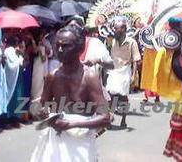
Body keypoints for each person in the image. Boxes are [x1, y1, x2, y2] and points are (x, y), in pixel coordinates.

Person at [30, 25, 111, 162]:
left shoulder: (89, 77)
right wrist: (41, 112)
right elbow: (41, 107)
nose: (60, 50)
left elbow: (105, 118)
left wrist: (72, 124)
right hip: (57, 141)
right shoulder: (52, 76)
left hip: (81, 144)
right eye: (58, 45)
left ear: (80, 48)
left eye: (66, 46)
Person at [106, 17, 141, 128]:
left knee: (122, 96)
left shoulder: (132, 42)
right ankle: (110, 117)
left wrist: (134, 75)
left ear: (124, 29)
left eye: (117, 29)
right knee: (110, 95)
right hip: (113, 71)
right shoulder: (112, 41)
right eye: (114, 28)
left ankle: (124, 119)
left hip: (125, 71)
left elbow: (136, 60)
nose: (115, 30)